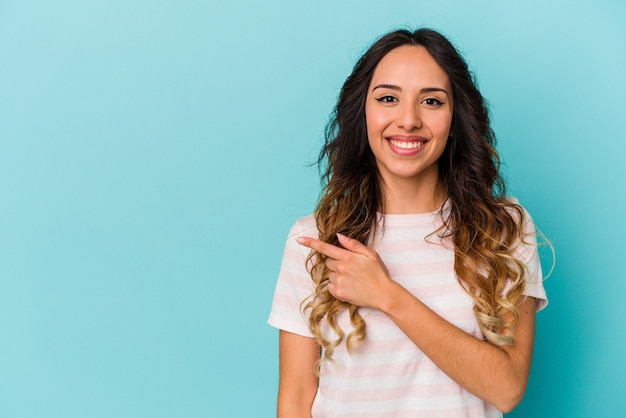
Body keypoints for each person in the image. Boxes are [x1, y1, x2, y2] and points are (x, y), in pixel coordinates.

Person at [268, 28, 548, 418]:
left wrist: (387, 295)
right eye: (388, 98)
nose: (409, 120)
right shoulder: (314, 239)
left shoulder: (503, 228)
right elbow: (296, 400)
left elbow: (506, 388)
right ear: (362, 113)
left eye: (431, 101)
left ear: (454, 120)